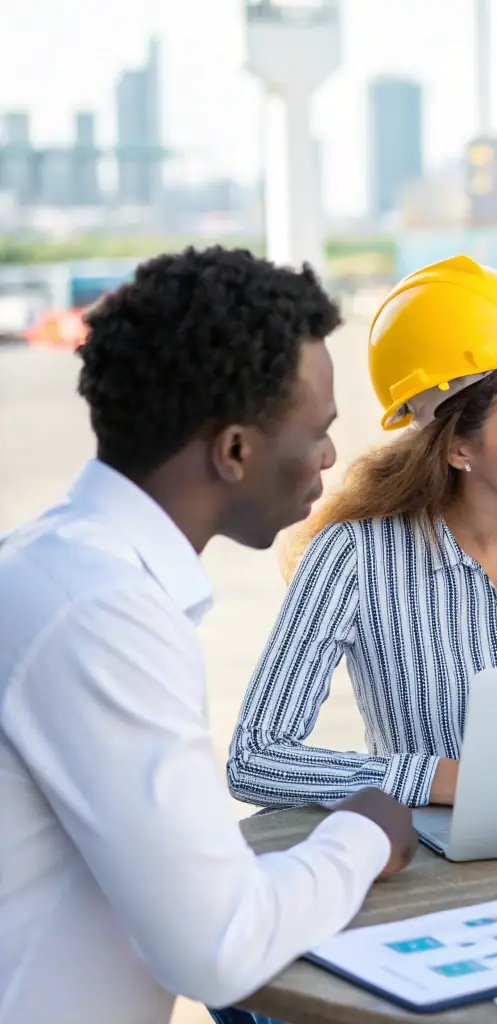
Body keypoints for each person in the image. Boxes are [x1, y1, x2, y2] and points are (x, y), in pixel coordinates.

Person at [0, 247, 418, 1024]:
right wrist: (365, 831)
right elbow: (218, 946)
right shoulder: (101, 612)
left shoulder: (54, 568)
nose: (330, 455)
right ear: (234, 452)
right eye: (318, 431)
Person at [225, 254, 497, 811]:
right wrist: (440, 780)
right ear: (458, 447)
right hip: (432, 868)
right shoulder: (354, 559)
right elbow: (256, 760)